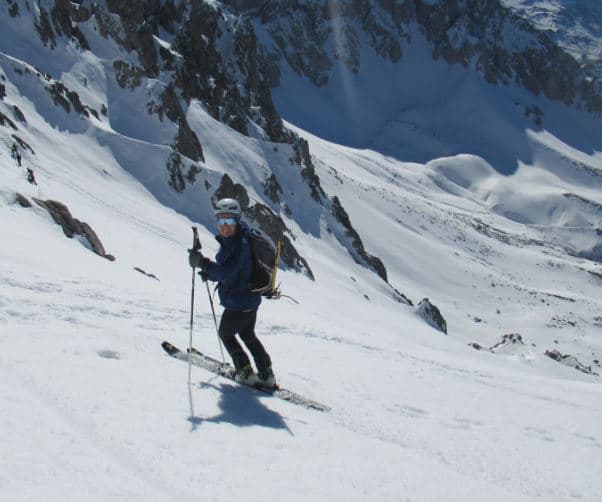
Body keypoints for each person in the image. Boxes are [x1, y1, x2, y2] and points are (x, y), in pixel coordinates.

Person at [188, 198, 277, 388]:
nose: (224, 226)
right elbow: (232, 273)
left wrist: (204, 263)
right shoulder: (237, 240)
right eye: (221, 220)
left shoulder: (240, 245)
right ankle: (266, 374)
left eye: (229, 221)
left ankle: (244, 372)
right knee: (248, 335)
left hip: (239, 303)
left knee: (226, 334)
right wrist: (211, 273)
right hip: (249, 300)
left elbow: (228, 271)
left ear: (237, 220)